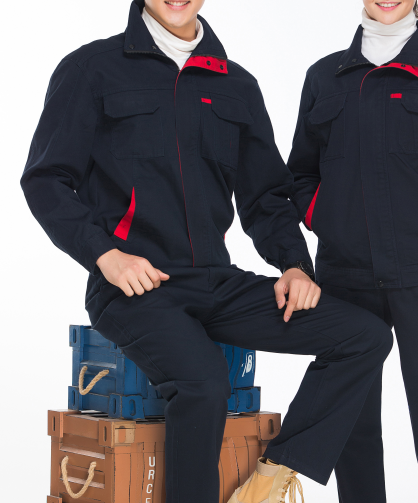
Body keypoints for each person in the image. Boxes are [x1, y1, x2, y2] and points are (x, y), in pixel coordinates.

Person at [20, 1, 394, 502]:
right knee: (204, 382)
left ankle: (273, 476)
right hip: (134, 288)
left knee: (365, 335)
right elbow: (45, 180)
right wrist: (106, 255)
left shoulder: (236, 86)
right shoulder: (92, 68)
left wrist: (294, 265)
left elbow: (265, 196)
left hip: (216, 283)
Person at [287, 1, 418, 502]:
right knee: (352, 430)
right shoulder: (324, 78)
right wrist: (328, 218)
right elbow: (300, 174)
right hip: (344, 279)